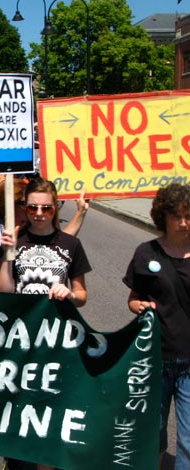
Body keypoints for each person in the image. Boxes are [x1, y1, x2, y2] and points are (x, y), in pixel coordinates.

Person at [0, 178, 91, 470]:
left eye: (46, 208)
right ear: (24, 207)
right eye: (33, 207)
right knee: (20, 409)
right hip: (22, 342)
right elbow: (4, 291)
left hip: (56, 344)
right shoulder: (16, 239)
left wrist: (70, 293)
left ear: (56, 207)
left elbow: (83, 295)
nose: (38, 213)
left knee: (50, 412)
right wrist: (6, 256)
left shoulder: (71, 244)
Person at [123, 183, 190, 470]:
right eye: (177, 216)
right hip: (155, 360)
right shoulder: (146, 253)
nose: (184, 222)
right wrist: (138, 306)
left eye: (188, 215)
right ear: (163, 216)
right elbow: (133, 299)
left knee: (189, 439)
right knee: (153, 431)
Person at [0, 179, 89, 291]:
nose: (36, 210)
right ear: (10, 205)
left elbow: (62, 242)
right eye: (27, 204)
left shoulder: (33, 227)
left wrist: (81, 212)